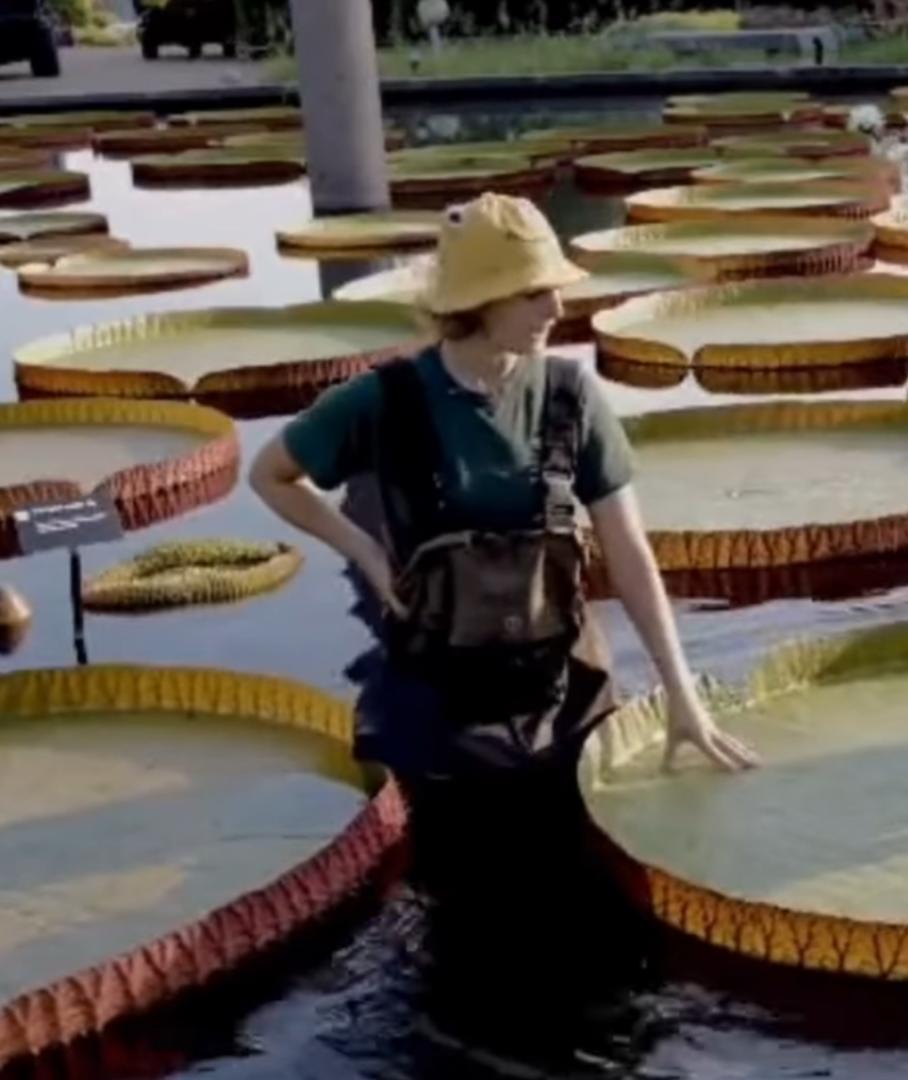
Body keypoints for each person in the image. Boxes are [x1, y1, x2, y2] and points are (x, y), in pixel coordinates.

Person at [249, 193, 757, 897]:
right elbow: (271, 474)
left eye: (554, 288)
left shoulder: (571, 395)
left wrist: (681, 694)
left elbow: (630, 554)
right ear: (478, 300)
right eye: (533, 292)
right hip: (436, 707)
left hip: (565, 693)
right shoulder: (381, 401)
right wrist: (361, 547)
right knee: (460, 909)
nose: (555, 308)